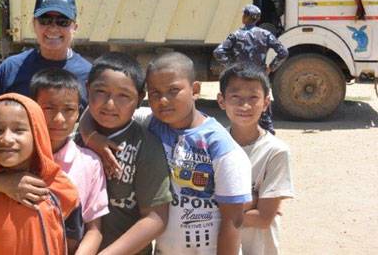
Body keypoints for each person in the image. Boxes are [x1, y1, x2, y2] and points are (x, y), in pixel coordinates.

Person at [80, 52, 252, 254]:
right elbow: (96, 111)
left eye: (173, 90)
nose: (163, 100)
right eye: (155, 93)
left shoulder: (221, 147)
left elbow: (234, 220)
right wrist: (92, 137)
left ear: (195, 90)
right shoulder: (151, 121)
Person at [0, 69, 109, 254]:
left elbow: (93, 229)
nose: (59, 119)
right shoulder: (3, 158)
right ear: (32, 110)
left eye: (69, 109)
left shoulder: (89, 163)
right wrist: (2, 183)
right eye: (48, 108)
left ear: (78, 113)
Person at [79, 52, 172, 254]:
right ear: (87, 89)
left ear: (139, 99)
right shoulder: (75, 140)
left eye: (123, 95)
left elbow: (156, 218)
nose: (110, 104)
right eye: (101, 91)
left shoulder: (145, 146)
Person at [0, 93, 80, 255]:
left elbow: (70, 242)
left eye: (19, 130)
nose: (6, 139)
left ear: (37, 135)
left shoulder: (62, 189)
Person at [217, 65, 294, 255]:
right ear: (221, 100)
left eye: (253, 98)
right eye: (236, 97)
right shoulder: (213, 145)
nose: (245, 106)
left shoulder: (276, 151)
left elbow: (264, 218)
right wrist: (249, 203)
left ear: (266, 102)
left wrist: (219, 207)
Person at [0, 0, 92, 109]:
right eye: (45, 20)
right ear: (34, 24)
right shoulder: (10, 69)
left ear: (75, 27)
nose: (53, 28)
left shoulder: (88, 75)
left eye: (62, 21)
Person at [213, 4, 288, 133]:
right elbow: (283, 52)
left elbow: (218, 52)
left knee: (240, 109)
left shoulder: (236, 35)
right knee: (262, 109)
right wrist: (271, 67)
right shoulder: (265, 34)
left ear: (245, 17)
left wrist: (231, 67)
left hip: (240, 77)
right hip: (259, 77)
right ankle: (268, 139)